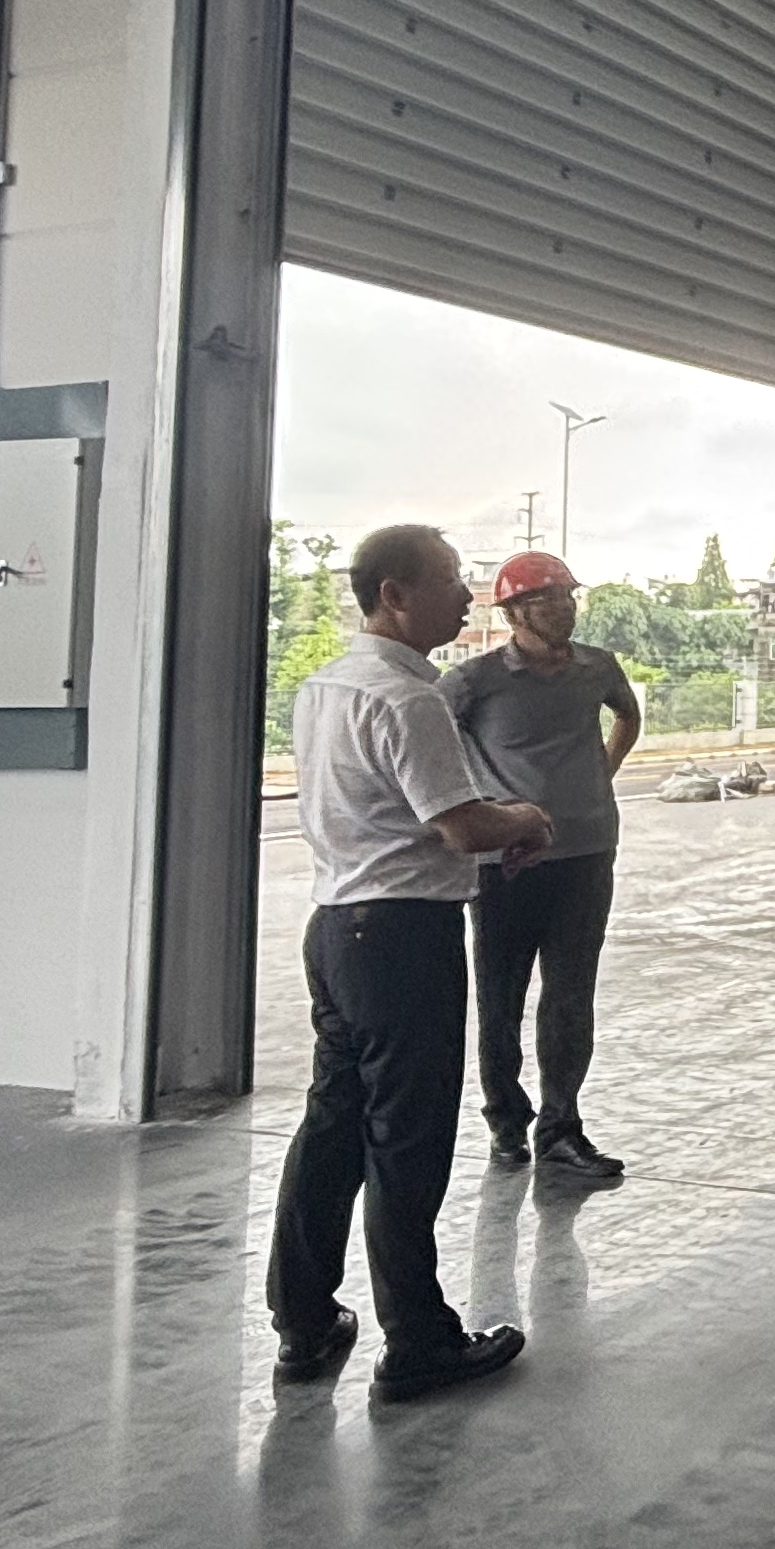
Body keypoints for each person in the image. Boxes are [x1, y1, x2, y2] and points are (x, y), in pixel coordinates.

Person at [271, 524, 551, 1402]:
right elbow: (458, 826)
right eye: (451, 578)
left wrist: (487, 820)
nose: (467, 595)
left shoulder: (325, 686)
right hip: (402, 939)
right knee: (407, 1139)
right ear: (394, 594)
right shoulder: (408, 699)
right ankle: (419, 1340)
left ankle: (303, 1320)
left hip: (336, 928)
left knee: (333, 1127)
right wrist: (526, 819)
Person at [439, 550, 639, 1188]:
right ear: (513, 613)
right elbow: (431, 741)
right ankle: (505, 1120)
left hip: (587, 851)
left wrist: (600, 774)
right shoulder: (474, 680)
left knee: (571, 994)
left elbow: (628, 715)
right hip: (506, 860)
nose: (563, 608)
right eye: (546, 599)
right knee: (500, 996)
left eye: (567, 596)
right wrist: (482, 804)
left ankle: (560, 1127)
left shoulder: (596, 667)